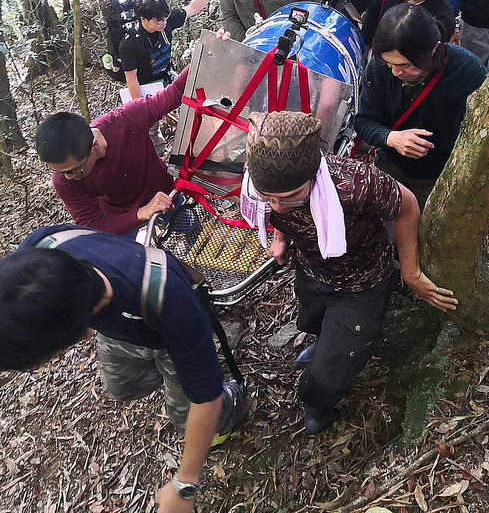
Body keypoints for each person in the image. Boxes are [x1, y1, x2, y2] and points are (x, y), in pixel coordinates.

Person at [240, 111, 457, 435]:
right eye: (267, 197)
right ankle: (322, 347)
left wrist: (410, 272)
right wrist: (280, 237)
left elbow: (406, 205)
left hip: (362, 282)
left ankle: (318, 399)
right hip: (313, 269)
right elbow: (275, 211)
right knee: (314, 321)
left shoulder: (354, 183)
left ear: (313, 175)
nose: (278, 206)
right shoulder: (260, 179)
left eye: (289, 197)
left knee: (333, 368)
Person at [0, 228, 245, 513]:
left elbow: (206, 398)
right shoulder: (38, 254)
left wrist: (184, 485)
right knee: (121, 386)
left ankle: (235, 401)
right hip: (121, 327)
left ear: (81, 333)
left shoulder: (170, 300)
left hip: (163, 330)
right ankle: (181, 377)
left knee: (193, 416)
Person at [355, 5, 486, 210]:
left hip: (438, 178)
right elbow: (363, 121)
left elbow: (480, 136)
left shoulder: (466, 71)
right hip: (390, 167)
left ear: (432, 50)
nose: (396, 72)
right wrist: (391, 138)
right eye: (390, 64)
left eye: (405, 65)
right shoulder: (380, 66)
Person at [35, 68, 190, 236]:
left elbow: (176, 92)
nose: (68, 177)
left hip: (168, 196)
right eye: (58, 171)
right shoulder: (63, 180)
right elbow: (92, 224)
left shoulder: (126, 120)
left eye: (74, 170)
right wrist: (142, 213)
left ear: (94, 145)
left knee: (191, 229)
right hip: (125, 223)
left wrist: (213, 45)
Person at [119, 0, 220, 102]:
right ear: (143, 19)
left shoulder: (164, 21)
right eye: (158, 22)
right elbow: (131, 77)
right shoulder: (130, 42)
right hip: (146, 87)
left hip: (167, 77)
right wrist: (139, 104)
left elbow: (192, 8)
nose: (163, 23)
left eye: (165, 19)